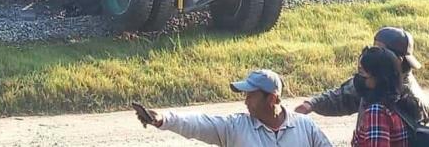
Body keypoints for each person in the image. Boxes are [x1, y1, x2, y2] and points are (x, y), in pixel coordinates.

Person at [133, 69, 333, 146]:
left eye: (251, 95)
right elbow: (199, 123)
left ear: (272, 99)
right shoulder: (236, 127)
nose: (245, 101)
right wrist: (162, 119)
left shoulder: (306, 128)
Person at [296, 27, 429, 128]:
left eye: (379, 51)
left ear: (397, 60)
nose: (372, 55)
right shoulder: (376, 80)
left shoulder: (410, 101)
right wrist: (311, 105)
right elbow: (344, 96)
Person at [351, 46, 410, 146]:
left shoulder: (377, 112)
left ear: (378, 78)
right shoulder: (397, 103)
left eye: (362, 72)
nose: (358, 77)